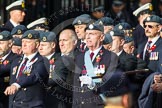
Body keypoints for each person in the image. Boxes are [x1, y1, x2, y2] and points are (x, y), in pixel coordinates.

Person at [72, 21, 118, 108]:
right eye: (87, 34)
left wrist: (94, 85)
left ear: (101, 37)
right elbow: (76, 86)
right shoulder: (80, 57)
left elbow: (112, 85)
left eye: (92, 34)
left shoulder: (111, 57)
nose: (88, 37)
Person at [4, 30, 49, 108]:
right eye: (23, 42)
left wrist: (17, 85)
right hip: (15, 105)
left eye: (28, 42)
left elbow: (34, 76)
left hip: (32, 105)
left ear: (37, 44)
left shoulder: (42, 61)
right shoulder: (16, 60)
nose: (24, 45)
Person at [38, 31, 60, 108]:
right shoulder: (36, 61)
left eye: (43, 45)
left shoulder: (60, 60)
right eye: (39, 45)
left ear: (53, 45)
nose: (40, 48)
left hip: (54, 102)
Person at [0, 31, 17, 108]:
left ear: (10, 44)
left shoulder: (15, 58)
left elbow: (4, 69)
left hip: (5, 100)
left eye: (2, 43)